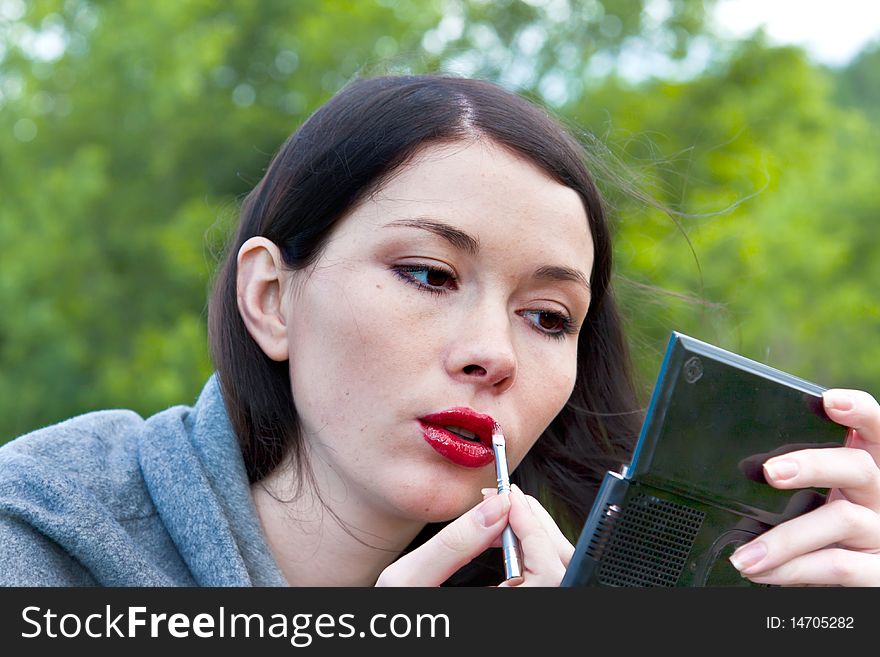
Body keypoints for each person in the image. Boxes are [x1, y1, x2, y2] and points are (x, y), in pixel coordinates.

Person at [0, 75, 878, 587]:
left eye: (546, 316)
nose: (492, 354)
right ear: (271, 297)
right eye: (428, 274)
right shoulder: (43, 539)